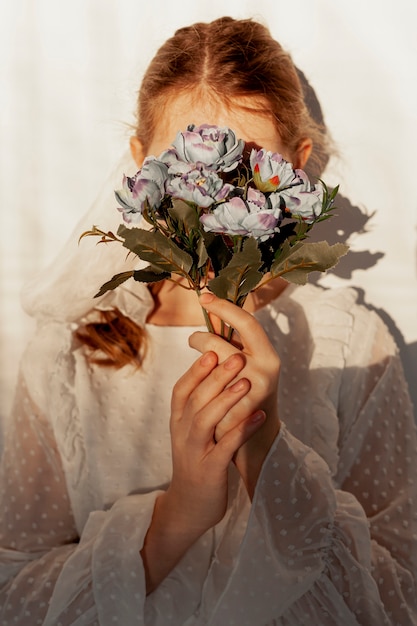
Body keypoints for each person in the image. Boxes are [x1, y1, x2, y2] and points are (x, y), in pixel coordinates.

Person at [1, 15, 416, 626]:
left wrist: (268, 446)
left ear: (296, 169)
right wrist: (177, 516)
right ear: (140, 167)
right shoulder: (70, 355)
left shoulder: (349, 347)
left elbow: (399, 593)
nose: (218, 200)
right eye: (187, 171)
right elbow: (14, 590)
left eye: (248, 169)